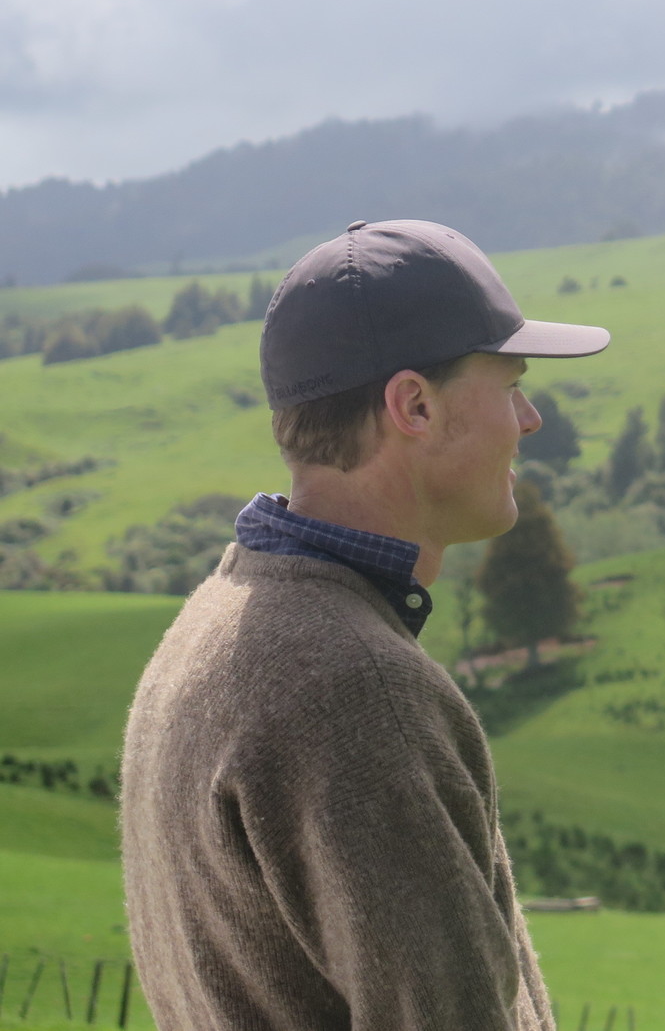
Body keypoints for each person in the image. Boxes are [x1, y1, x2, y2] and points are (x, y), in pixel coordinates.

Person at [120, 219, 611, 1030]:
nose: (529, 420)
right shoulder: (357, 691)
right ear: (413, 404)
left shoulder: (211, 628)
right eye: (510, 384)